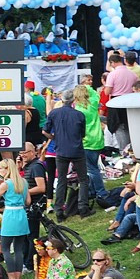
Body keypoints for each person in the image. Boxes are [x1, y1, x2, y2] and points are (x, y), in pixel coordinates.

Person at [44, 89, 90, 220]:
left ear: (62, 100)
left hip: (61, 150)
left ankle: (59, 210)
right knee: (83, 179)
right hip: (76, 150)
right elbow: (82, 134)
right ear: (73, 100)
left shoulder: (54, 113)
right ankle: (83, 208)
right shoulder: (79, 115)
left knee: (62, 181)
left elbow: (45, 131)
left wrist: (54, 138)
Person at [0, 158, 30, 279]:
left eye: (2, 168)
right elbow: (28, 202)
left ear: (7, 169)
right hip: (21, 215)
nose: (0, 170)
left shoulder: (7, 184)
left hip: (10, 215)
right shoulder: (23, 182)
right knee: (18, 249)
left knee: (5, 248)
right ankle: (18, 278)